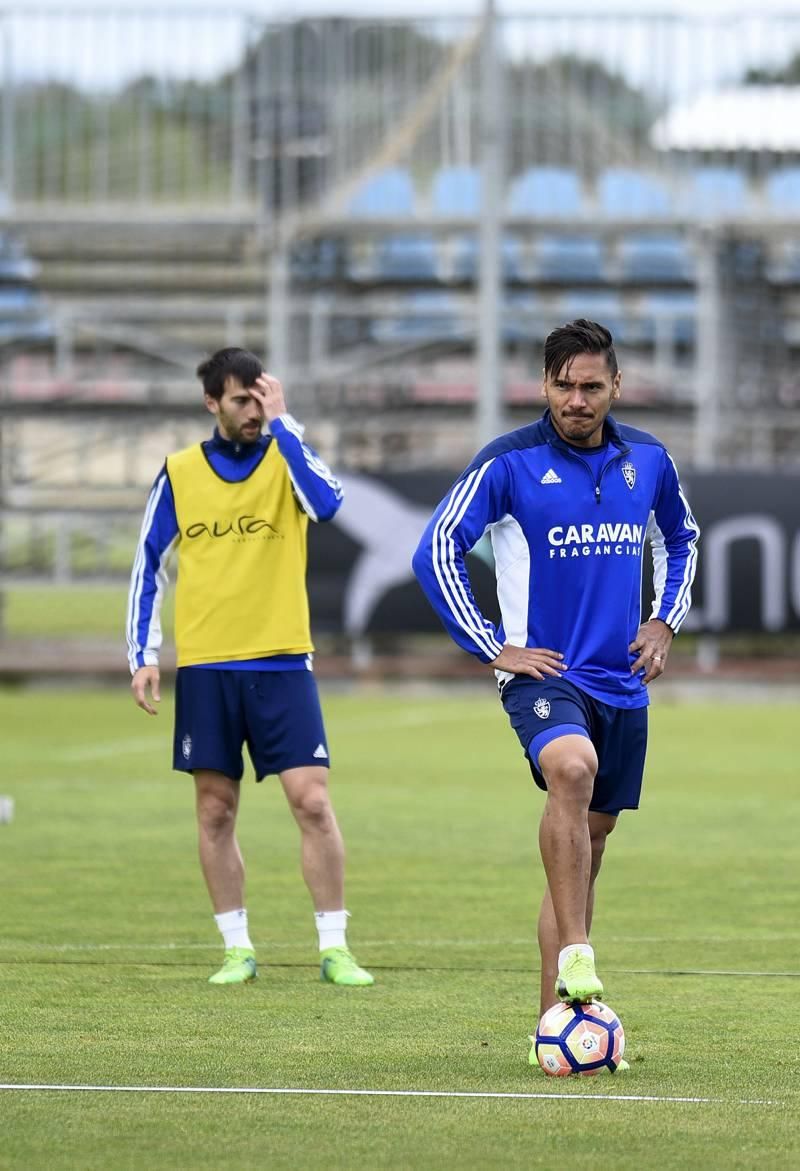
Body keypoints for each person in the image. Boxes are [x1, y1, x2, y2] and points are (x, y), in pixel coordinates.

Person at [412, 319, 698, 1064]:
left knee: (587, 849)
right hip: (545, 675)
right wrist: (492, 645)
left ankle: (554, 1023)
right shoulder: (507, 462)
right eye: (564, 385)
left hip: (622, 681)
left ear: (616, 386)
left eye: (591, 385)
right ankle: (579, 953)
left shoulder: (649, 460)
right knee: (571, 769)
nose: (577, 399)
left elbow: (682, 539)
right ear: (543, 384)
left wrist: (664, 620)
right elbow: (436, 546)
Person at [126, 347, 373, 988]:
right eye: (241, 400)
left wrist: (287, 426)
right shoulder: (178, 472)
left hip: (283, 661)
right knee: (214, 810)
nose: (253, 411)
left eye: (261, 398)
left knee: (312, 801)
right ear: (212, 403)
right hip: (207, 667)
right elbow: (148, 565)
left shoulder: (285, 457)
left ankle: (334, 946)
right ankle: (236, 947)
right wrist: (143, 656)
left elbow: (329, 505)